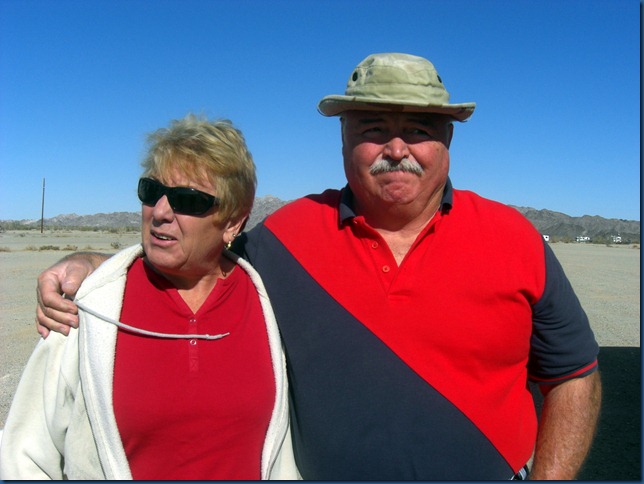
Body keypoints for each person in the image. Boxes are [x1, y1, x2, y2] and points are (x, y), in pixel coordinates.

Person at [32, 53, 601, 480]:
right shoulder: (287, 236)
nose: (396, 148)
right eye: (372, 129)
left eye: (419, 130)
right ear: (344, 138)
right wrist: (93, 264)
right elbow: (198, 253)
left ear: (447, 139)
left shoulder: (513, 237)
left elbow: (574, 375)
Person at [0, 115, 299, 480]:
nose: (160, 212)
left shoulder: (268, 301)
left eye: (187, 199)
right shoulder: (89, 306)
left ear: (233, 221)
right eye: (151, 191)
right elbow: (24, 455)